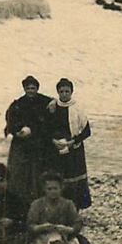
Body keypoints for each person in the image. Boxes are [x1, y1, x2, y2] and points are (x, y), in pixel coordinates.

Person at [4, 75, 54, 201]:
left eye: (33, 88)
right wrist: (17, 132)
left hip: (40, 145)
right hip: (22, 146)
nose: (30, 91)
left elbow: (51, 122)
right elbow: (10, 123)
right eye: (28, 88)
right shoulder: (17, 104)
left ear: (37, 88)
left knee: (38, 175)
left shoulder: (46, 102)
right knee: (20, 175)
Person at [47, 77, 92, 209]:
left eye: (67, 91)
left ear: (72, 91)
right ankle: (59, 208)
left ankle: (75, 209)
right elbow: (47, 128)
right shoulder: (53, 108)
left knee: (76, 179)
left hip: (74, 149)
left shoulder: (78, 108)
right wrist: (53, 141)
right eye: (61, 91)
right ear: (58, 92)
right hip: (57, 148)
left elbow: (86, 131)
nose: (64, 94)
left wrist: (72, 142)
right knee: (59, 178)